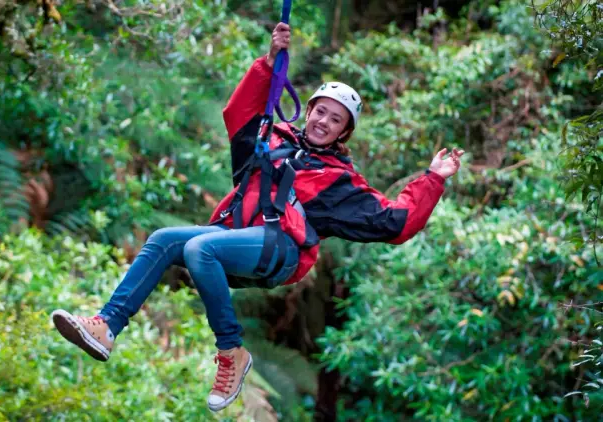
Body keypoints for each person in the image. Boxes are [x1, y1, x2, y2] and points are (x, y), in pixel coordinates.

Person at [51, 22, 464, 412]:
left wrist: (432, 179)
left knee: (199, 248)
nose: (323, 121)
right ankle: (107, 326)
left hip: (280, 253)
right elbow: (239, 113)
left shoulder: (340, 182)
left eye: (335, 119)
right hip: (236, 237)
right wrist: (269, 63)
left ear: (344, 133)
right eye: (320, 111)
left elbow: (396, 223)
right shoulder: (274, 138)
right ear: (309, 110)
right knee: (163, 238)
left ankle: (231, 352)